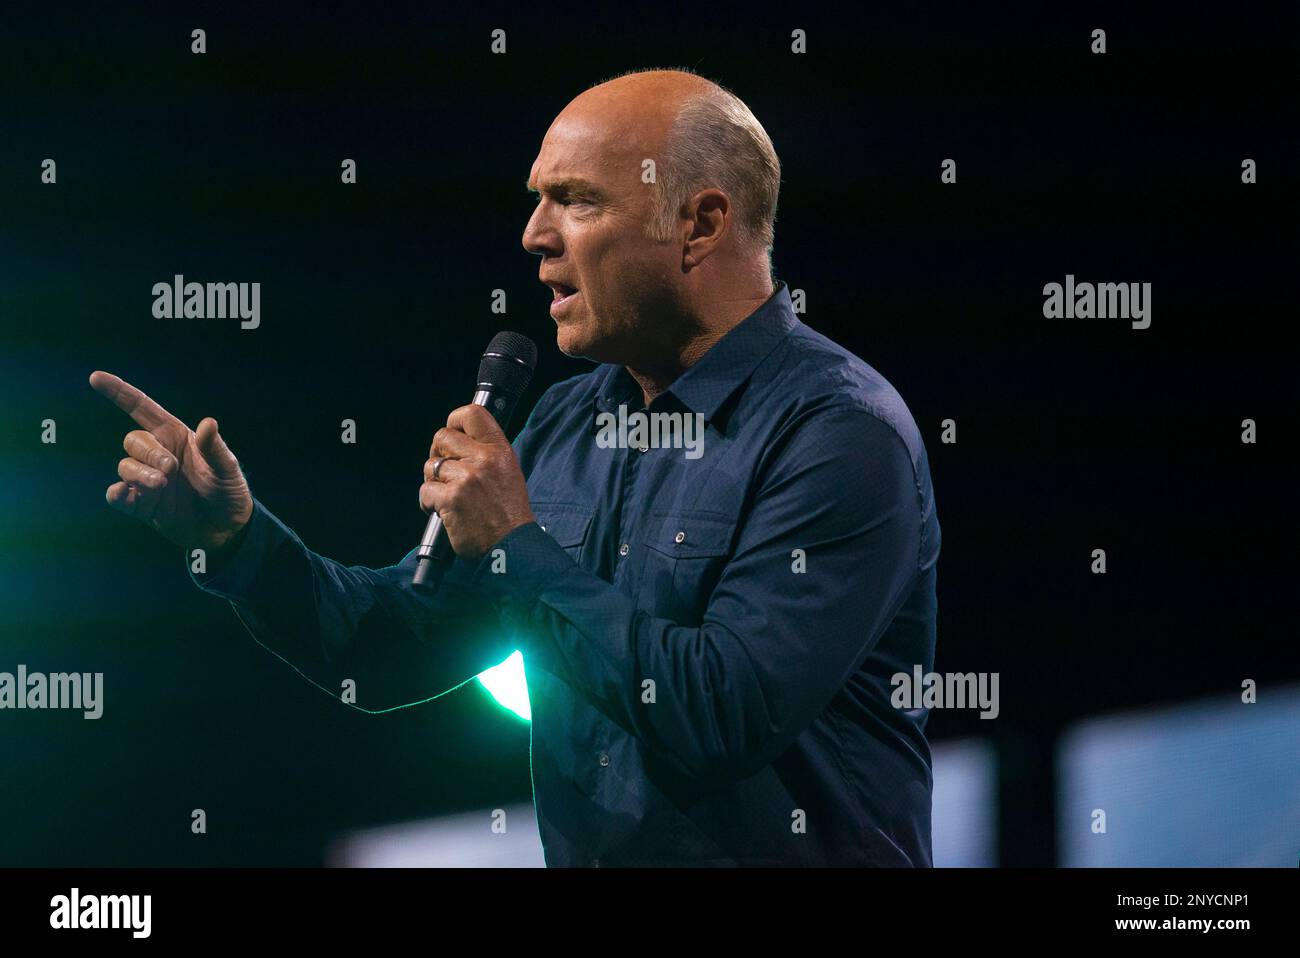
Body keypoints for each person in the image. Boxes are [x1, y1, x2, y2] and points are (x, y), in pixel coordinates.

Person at [91, 68, 941, 866]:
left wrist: (514, 542)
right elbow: (393, 650)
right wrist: (238, 543)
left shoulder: (839, 434)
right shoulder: (568, 420)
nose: (534, 236)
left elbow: (724, 711)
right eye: (539, 201)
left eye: (575, 201)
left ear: (702, 223)